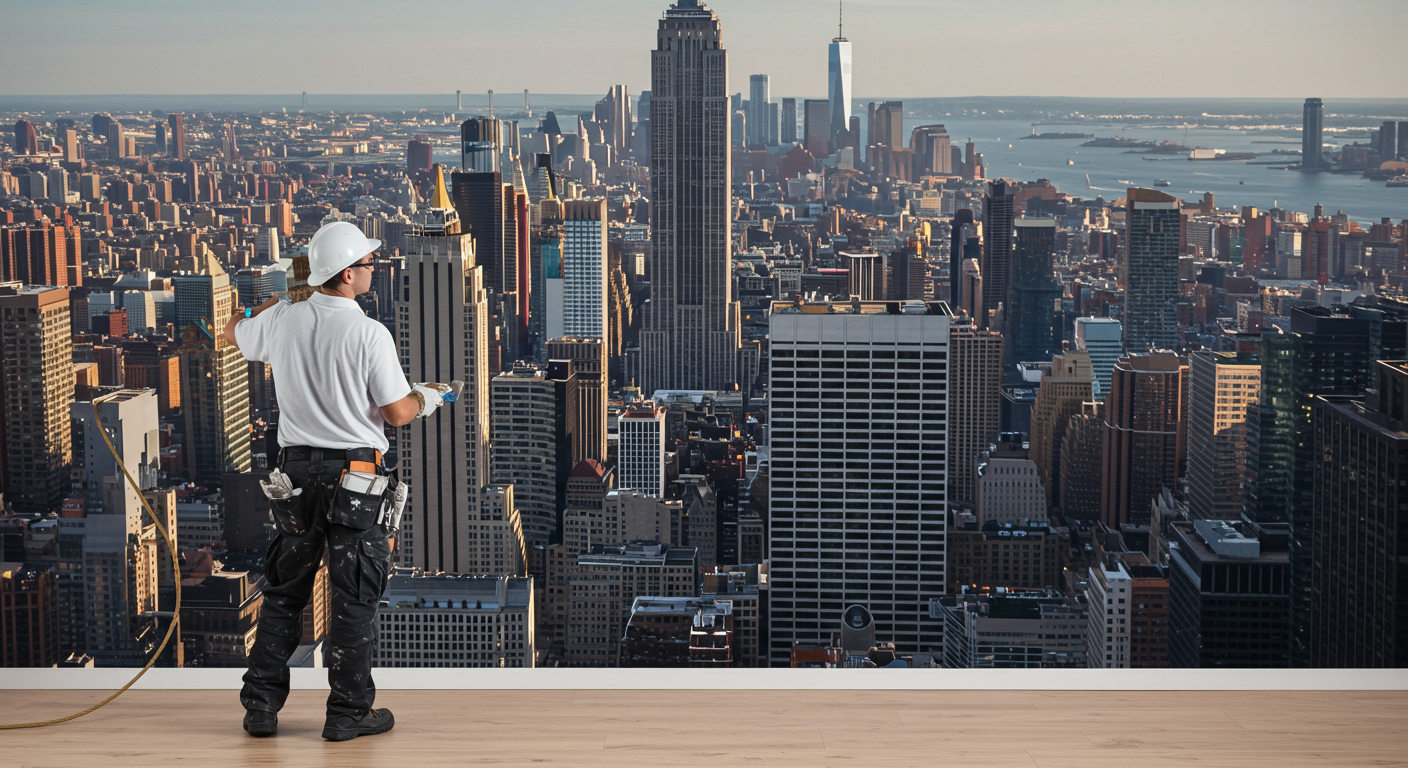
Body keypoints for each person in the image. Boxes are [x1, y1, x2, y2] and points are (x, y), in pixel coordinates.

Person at [224, 221, 446, 741]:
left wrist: (265, 307)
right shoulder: (369, 333)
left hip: (295, 476)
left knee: (284, 592)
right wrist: (429, 396)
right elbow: (395, 413)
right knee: (354, 596)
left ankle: (260, 708)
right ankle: (347, 712)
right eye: (368, 264)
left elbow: (234, 330)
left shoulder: (283, 319)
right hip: (356, 479)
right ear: (347, 274)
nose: (373, 269)